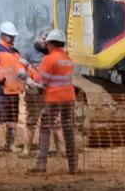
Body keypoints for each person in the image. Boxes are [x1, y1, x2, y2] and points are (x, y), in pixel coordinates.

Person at [28, 29, 77, 174]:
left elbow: (41, 80)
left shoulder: (49, 59)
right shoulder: (68, 59)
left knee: (45, 128)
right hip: (68, 98)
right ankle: (73, 166)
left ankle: (41, 164)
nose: (46, 46)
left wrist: (30, 78)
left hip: (53, 99)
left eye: (48, 43)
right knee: (68, 129)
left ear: (52, 44)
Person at [0, 21, 26, 153]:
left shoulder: (15, 52)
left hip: (14, 89)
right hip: (1, 90)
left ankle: (10, 145)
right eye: (10, 36)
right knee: (0, 115)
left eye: (13, 36)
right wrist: (0, 78)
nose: (13, 38)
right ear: (3, 35)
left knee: (13, 118)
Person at [19, 29, 49, 158]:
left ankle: (44, 151)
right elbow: (19, 68)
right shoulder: (29, 53)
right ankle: (26, 150)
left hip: (49, 92)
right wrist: (28, 79)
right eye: (43, 38)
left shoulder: (51, 54)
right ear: (38, 38)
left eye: (48, 40)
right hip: (33, 91)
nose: (45, 42)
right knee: (31, 121)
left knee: (47, 122)